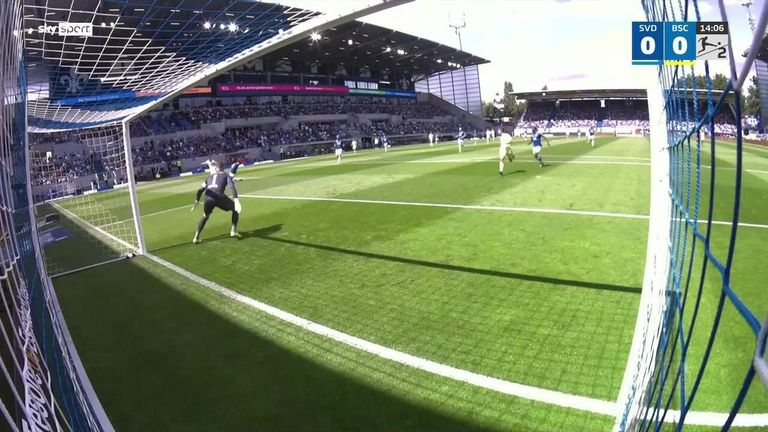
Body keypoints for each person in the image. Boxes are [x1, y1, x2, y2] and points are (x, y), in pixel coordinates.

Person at [191, 161, 242, 244]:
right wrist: (236, 200)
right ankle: (233, 231)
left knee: (205, 216)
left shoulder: (209, 177)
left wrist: (197, 201)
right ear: (223, 168)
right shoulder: (225, 175)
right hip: (219, 196)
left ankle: (196, 237)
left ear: (215, 168)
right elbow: (231, 186)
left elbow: (200, 190)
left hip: (208, 198)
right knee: (235, 210)